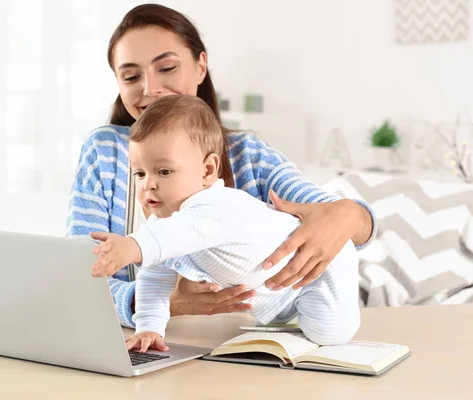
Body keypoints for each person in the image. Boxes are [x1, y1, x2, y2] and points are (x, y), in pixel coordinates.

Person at [67, 3, 376, 329]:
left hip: (242, 341)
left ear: (201, 66)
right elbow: (80, 281)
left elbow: (345, 225)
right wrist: (164, 304)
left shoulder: (249, 156)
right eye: (131, 75)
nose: (150, 88)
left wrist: (349, 214)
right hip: (150, 338)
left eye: (167, 68)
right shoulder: (104, 152)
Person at [89, 94, 360, 352]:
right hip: (277, 296)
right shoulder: (164, 228)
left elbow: (174, 235)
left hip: (321, 268)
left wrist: (130, 247)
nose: (148, 184)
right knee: (278, 333)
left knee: (329, 334)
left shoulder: (216, 206)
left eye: (164, 171)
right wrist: (149, 328)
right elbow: (154, 278)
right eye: (139, 173)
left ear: (207, 170)